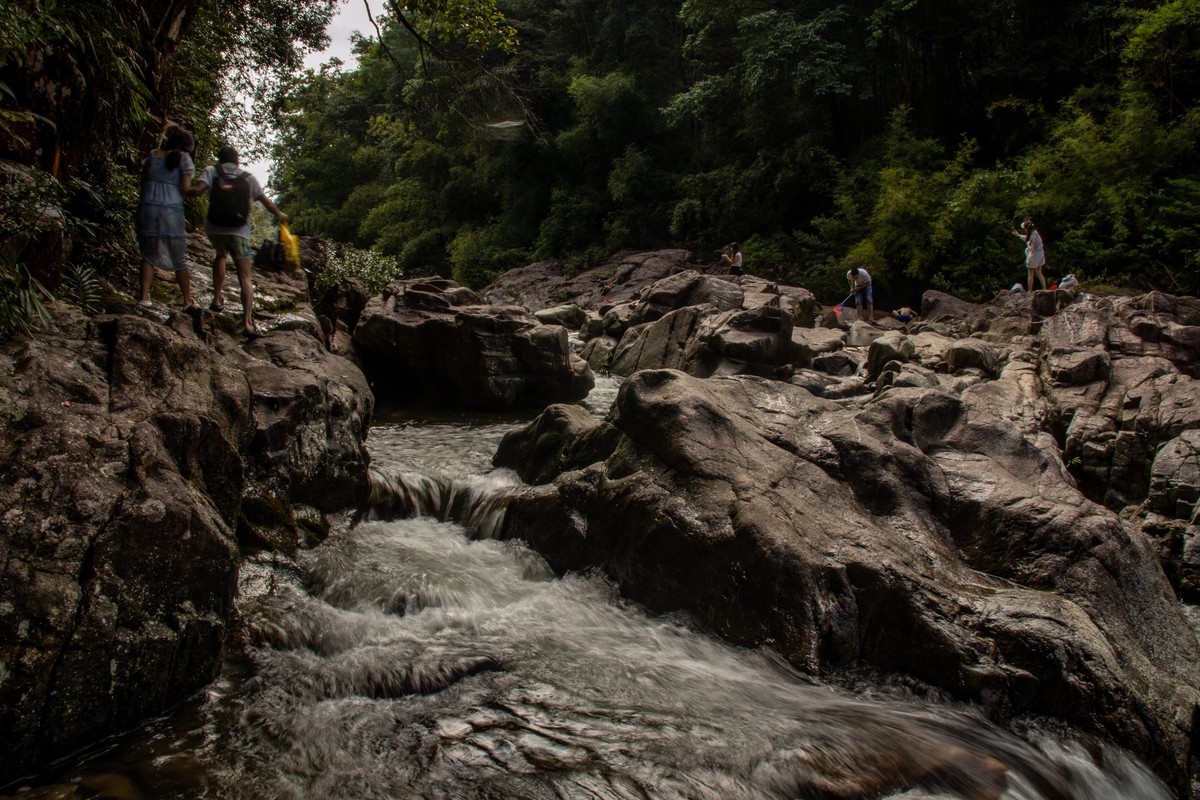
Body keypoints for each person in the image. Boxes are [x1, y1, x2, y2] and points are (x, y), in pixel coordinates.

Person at [190, 146, 287, 338]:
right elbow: (267, 203)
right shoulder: (248, 177)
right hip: (239, 232)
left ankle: (217, 299)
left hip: (215, 229)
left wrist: (182, 186)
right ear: (237, 160)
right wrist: (280, 215)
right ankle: (247, 324)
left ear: (220, 159)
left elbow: (197, 191)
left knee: (220, 256)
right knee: (245, 276)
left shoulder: (211, 171)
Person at [137, 127, 196, 308]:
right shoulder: (183, 159)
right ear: (185, 147)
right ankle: (187, 300)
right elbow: (185, 189)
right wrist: (199, 189)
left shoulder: (152, 156)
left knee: (148, 254)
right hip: (171, 208)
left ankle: (144, 297)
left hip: (148, 205)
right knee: (178, 255)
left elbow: (143, 182)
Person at [1012, 219, 1047, 291]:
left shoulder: (1032, 237)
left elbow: (1031, 247)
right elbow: (1027, 238)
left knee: (1030, 274)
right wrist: (1018, 235)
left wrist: (1027, 253)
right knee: (1039, 272)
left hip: (1034, 255)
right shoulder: (1035, 232)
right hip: (1040, 254)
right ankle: (1044, 288)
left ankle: (1030, 291)